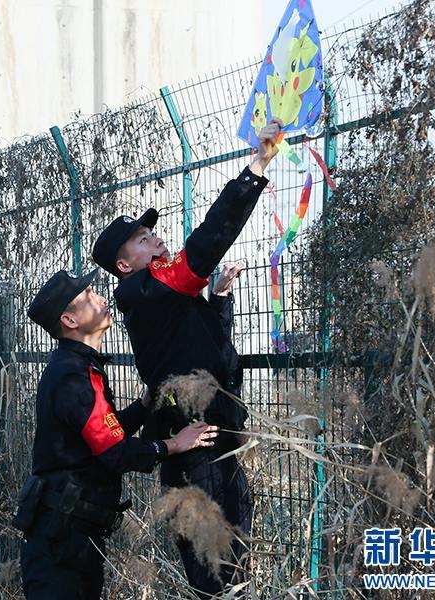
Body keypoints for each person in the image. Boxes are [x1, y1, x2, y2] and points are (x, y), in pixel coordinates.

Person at [90, 119, 283, 596]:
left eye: (151, 233)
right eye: (141, 238)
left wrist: (218, 300)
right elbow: (208, 239)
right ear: (124, 264)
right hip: (199, 454)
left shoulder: (163, 295)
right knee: (217, 577)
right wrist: (255, 167)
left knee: (232, 568)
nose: (155, 238)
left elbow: (209, 354)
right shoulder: (144, 289)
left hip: (216, 441)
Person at [16, 269, 219, 600]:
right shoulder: (71, 377)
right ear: (69, 319)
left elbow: (102, 434)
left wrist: (143, 404)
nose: (100, 299)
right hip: (60, 545)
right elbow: (115, 452)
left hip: (73, 537)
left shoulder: (82, 367)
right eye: (88, 297)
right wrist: (173, 445)